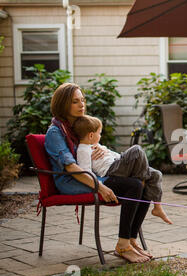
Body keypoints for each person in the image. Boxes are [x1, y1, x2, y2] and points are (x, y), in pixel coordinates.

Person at [44, 83, 170, 264]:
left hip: (90, 175)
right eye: (75, 101)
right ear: (63, 104)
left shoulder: (75, 127)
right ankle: (123, 245)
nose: (82, 105)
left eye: (82, 100)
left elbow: (87, 150)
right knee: (134, 185)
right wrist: (100, 187)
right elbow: (71, 167)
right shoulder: (56, 132)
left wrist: (100, 152)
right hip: (71, 181)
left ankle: (130, 240)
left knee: (146, 179)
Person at [72, 115, 172, 225]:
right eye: (99, 133)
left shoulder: (96, 146)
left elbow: (116, 155)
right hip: (112, 170)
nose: (100, 136)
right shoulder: (83, 150)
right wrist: (99, 186)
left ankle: (157, 207)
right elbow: (86, 171)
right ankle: (141, 180)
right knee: (137, 150)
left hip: (118, 164)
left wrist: (105, 150)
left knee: (156, 174)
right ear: (91, 135)